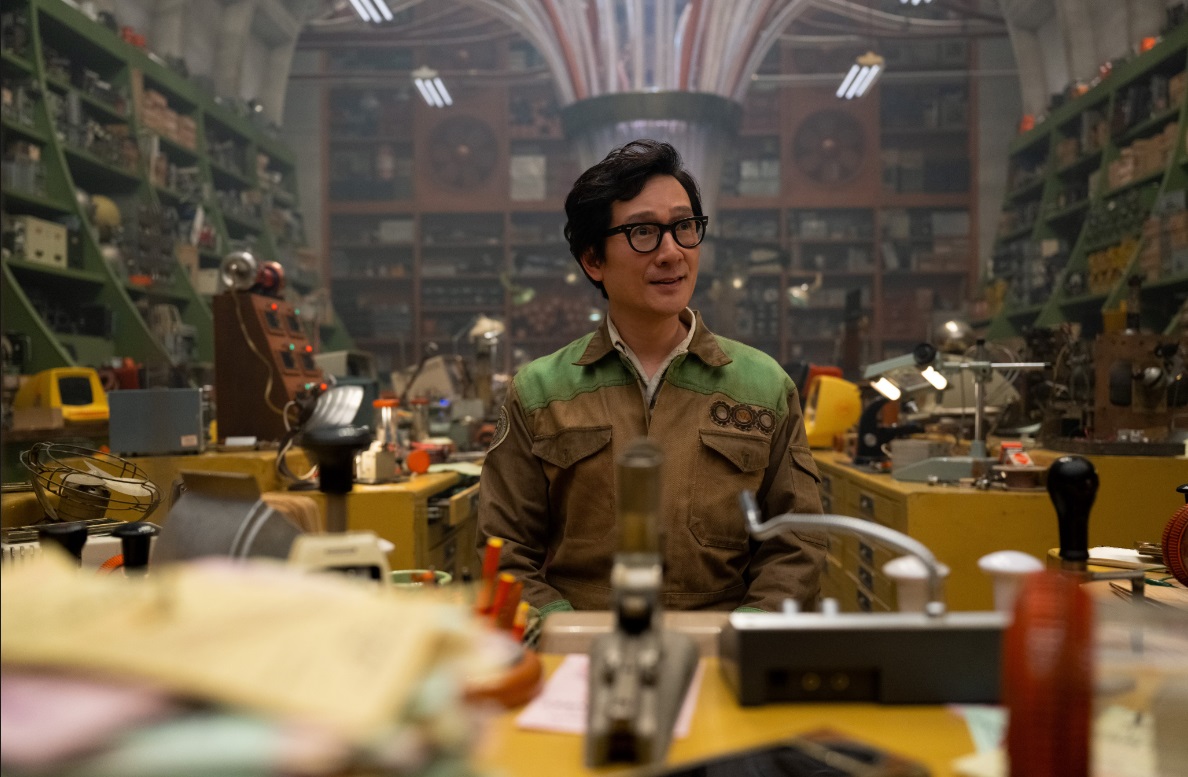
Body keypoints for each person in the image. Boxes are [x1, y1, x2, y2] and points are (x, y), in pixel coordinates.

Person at [477, 139, 825, 619]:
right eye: (643, 231)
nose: (671, 252)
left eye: (684, 227)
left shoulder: (764, 386)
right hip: (580, 648)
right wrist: (564, 636)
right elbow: (505, 551)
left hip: (720, 648)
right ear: (593, 259)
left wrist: (745, 636)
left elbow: (798, 543)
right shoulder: (540, 391)